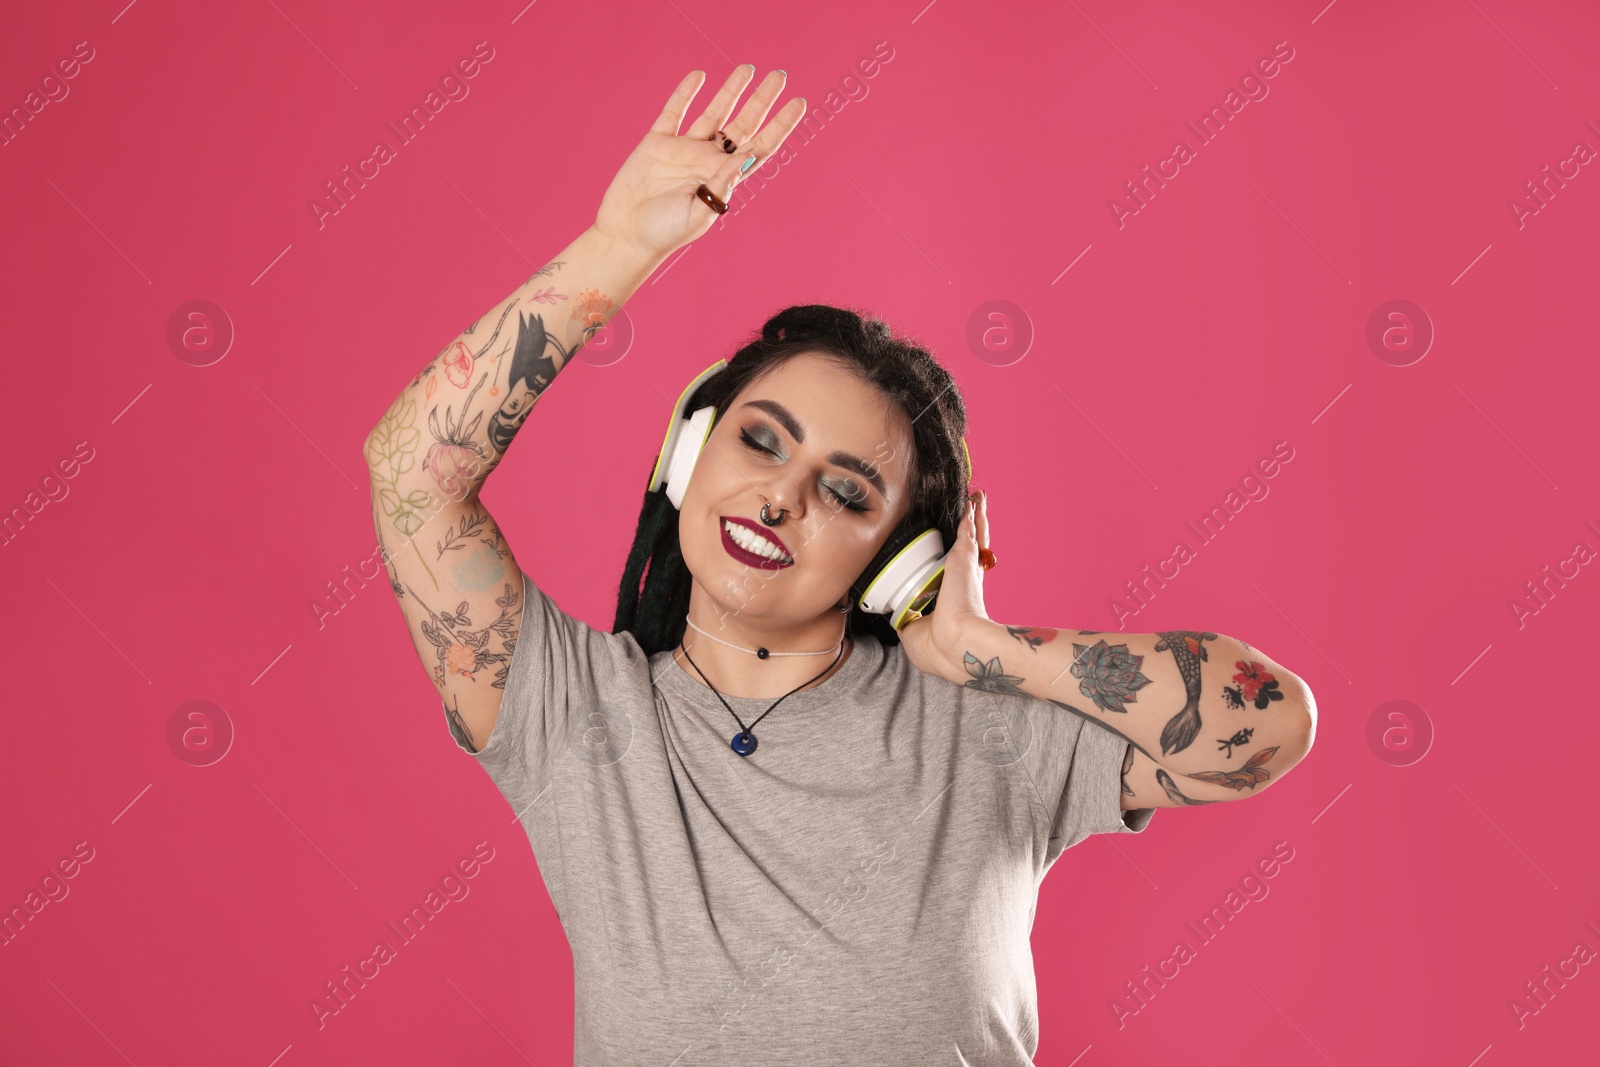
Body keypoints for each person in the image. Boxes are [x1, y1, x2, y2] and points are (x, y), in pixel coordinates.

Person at [365, 64, 1317, 1066]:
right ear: (687, 456)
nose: (782, 497)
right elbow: (410, 478)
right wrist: (618, 248)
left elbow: (1270, 725)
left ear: (895, 561)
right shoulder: (573, 712)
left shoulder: (984, 726)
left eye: (848, 491)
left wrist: (987, 651)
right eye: (761, 441)